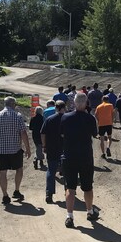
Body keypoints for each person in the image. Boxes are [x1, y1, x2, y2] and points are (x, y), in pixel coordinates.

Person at [60, 93, 99, 228]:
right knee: (88, 187)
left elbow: (62, 133)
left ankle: (69, 216)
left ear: (74, 103)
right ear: (86, 103)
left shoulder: (65, 117)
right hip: (85, 157)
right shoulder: (90, 119)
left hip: (69, 156)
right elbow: (95, 134)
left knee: (70, 188)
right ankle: (89, 211)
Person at [0, 97, 32, 205]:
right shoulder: (17, 116)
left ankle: (5, 196)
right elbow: (23, 133)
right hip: (15, 149)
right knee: (19, 169)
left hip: (1, 150)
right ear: (13, 104)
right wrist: (28, 149)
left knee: (2, 172)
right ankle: (16, 190)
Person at [40, 100, 66, 204]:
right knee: (66, 171)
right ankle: (68, 191)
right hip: (65, 148)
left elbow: (42, 133)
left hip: (51, 148)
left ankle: (49, 194)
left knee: (51, 170)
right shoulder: (67, 119)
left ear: (56, 108)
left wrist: (44, 145)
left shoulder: (49, 119)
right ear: (64, 108)